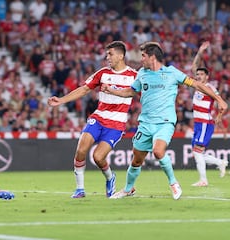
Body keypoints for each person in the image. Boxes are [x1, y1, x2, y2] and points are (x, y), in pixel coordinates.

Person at [102, 42, 228, 200]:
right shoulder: (142, 73)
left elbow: (197, 84)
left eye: (143, 56)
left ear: (152, 57)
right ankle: (128, 189)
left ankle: (174, 183)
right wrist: (111, 90)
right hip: (146, 124)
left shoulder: (172, 73)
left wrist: (219, 99)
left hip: (165, 122)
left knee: (158, 151)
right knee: (136, 159)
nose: (141, 59)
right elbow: (130, 92)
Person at [47, 41, 137, 198]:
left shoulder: (134, 76)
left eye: (111, 54)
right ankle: (80, 189)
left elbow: (141, 94)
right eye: (106, 54)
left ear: (121, 55)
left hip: (116, 124)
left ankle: (110, 177)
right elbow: (84, 89)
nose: (107, 57)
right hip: (98, 117)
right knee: (81, 150)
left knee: (98, 157)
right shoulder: (102, 73)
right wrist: (61, 100)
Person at [190, 41, 228, 186]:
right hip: (199, 123)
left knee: (197, 151)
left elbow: (222, 104)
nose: (198, 76)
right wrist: (200, 51)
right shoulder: (197, 85)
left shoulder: (209, 88)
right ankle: (220, 162)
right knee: (197, 152)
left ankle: (203, 180)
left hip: (205, 123)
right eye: (197, 74)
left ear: (207, 76)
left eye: (201, 74)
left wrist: (218, 117)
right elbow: (194, 66)